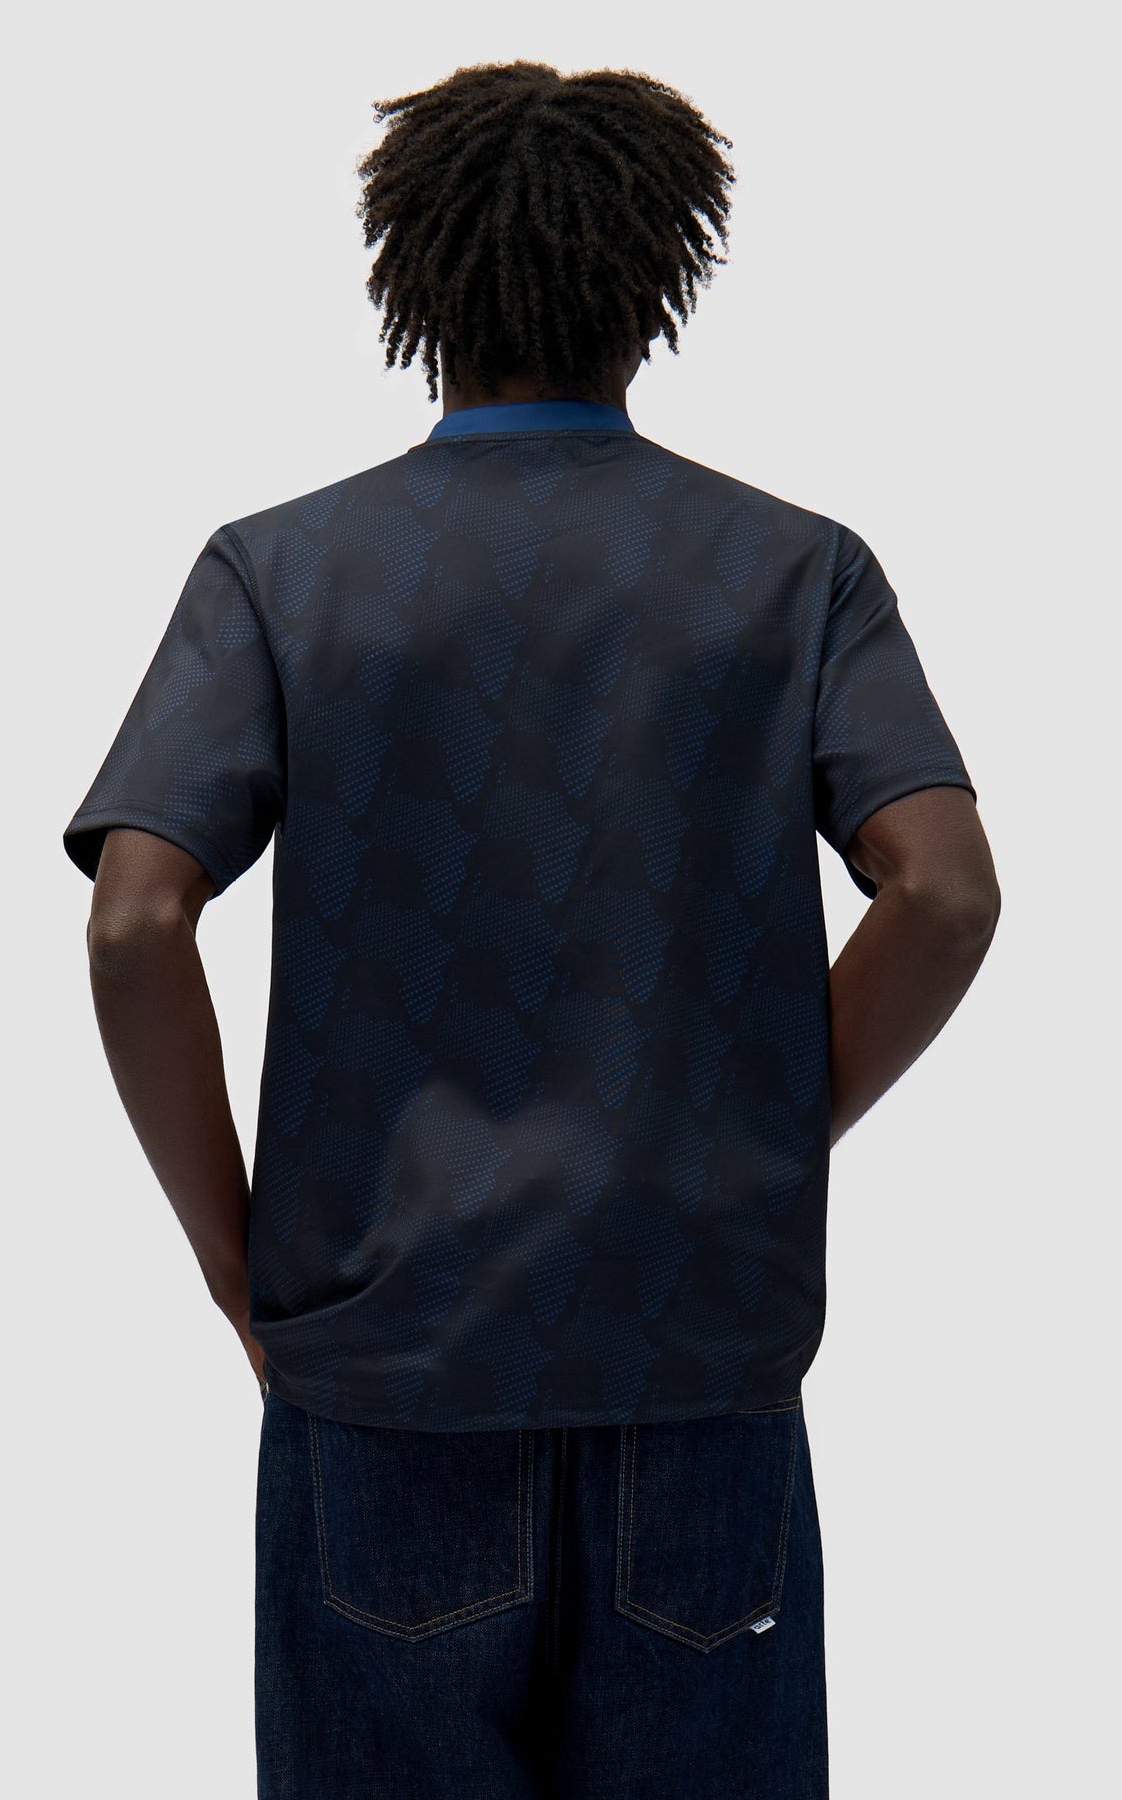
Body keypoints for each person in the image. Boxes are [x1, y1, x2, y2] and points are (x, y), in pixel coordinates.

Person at [62, 58, 1000, 1800]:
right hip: (694, 1359)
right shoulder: (794, 572)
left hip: (382, 1376)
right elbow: (941, 892)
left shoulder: (282, 572)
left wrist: (230, 1260)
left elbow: (133, 925)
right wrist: (756, 1130)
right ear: (655, 282)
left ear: (415, 277)